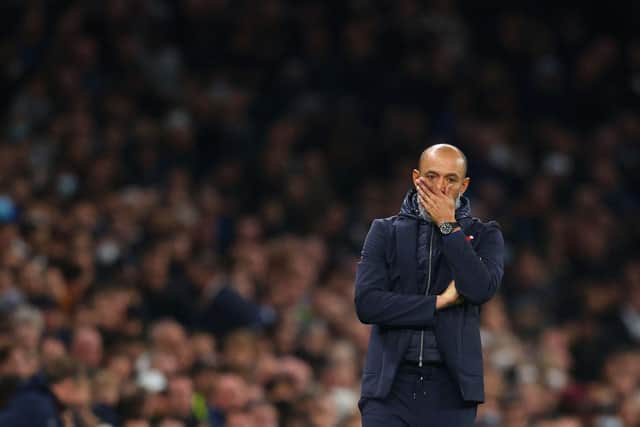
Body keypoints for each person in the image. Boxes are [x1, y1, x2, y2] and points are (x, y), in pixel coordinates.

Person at [354, 144, 505, 426]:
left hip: (452, 392)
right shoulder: (384, 231)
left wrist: (448, 225)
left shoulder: (485, 235)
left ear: (465, 184)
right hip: (389, 387)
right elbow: (368, 304)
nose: (440, 187)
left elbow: (479, 289)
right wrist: (437, 303)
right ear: (416, 178)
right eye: (432, 176)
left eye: (451, 179)